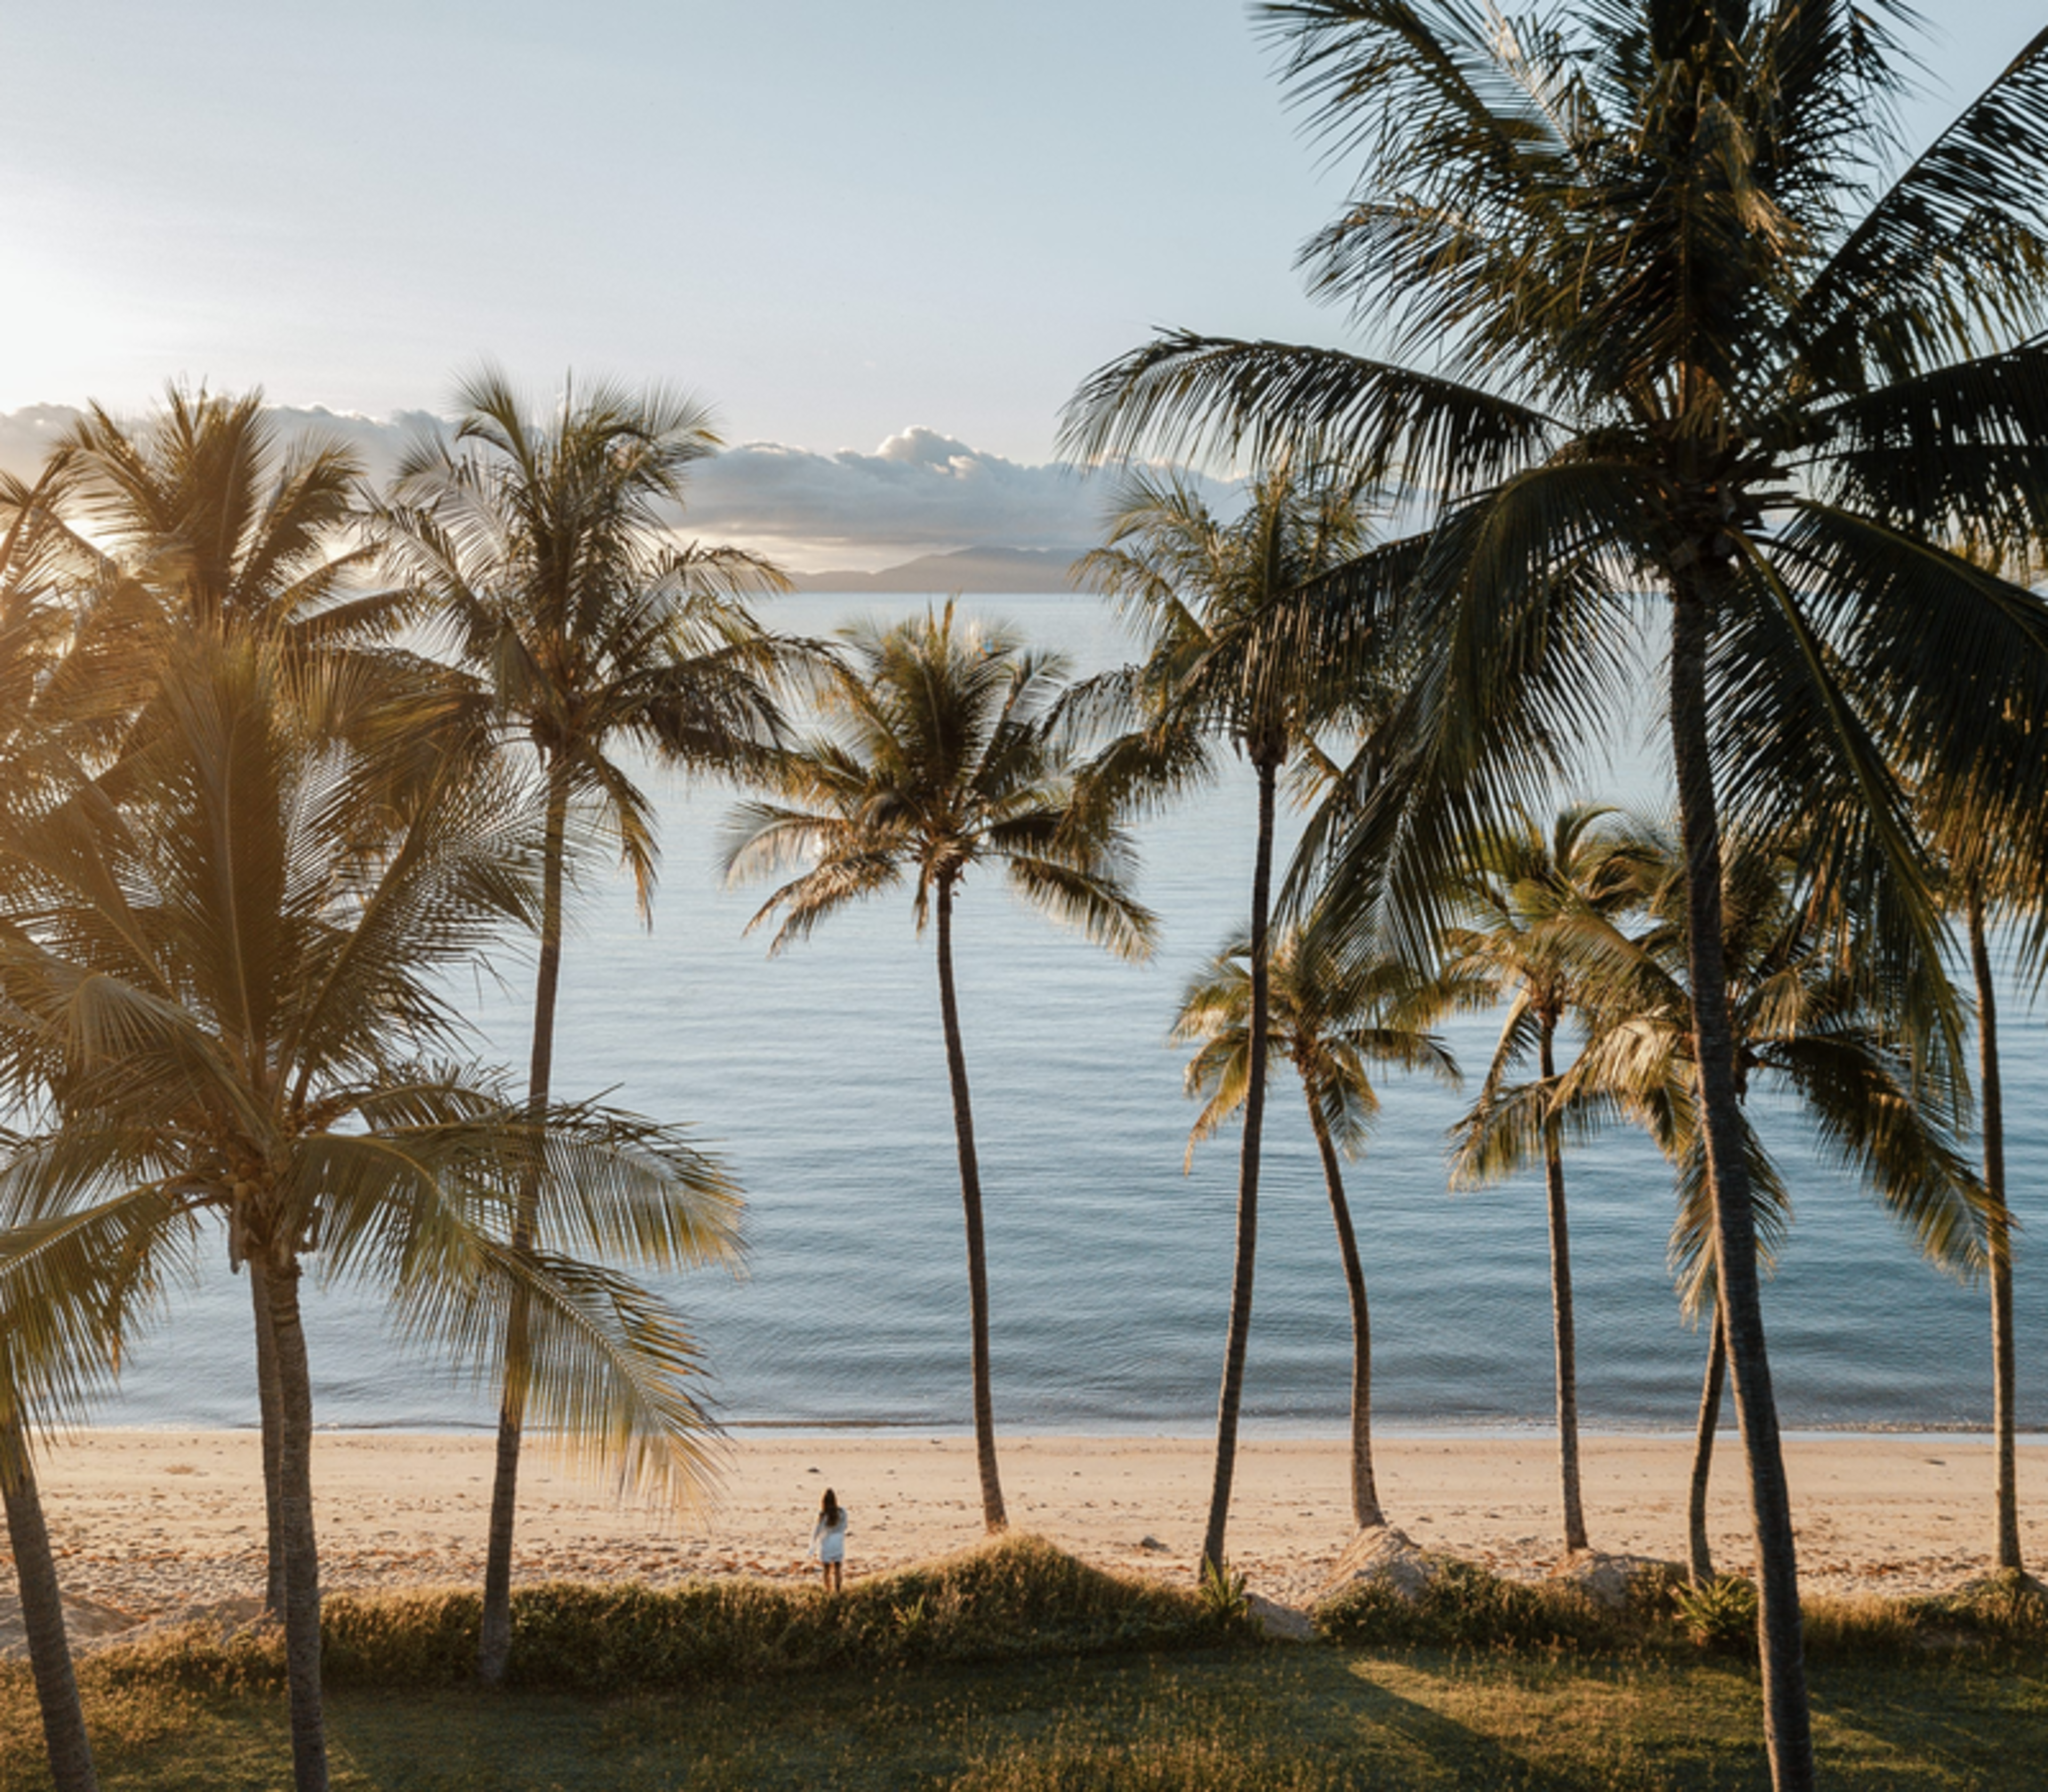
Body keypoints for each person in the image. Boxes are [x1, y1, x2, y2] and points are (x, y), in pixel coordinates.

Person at [810, 1487, 849, 1592]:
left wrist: (812, 1547)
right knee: (838, 1568)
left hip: (826, 1543)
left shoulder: (822, 1515)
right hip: (838, 1542)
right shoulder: (842, 1512)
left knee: (826, 1570)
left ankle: (828, 1589)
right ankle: (838, 1590)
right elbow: (845, 1526)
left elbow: (817, 1531)